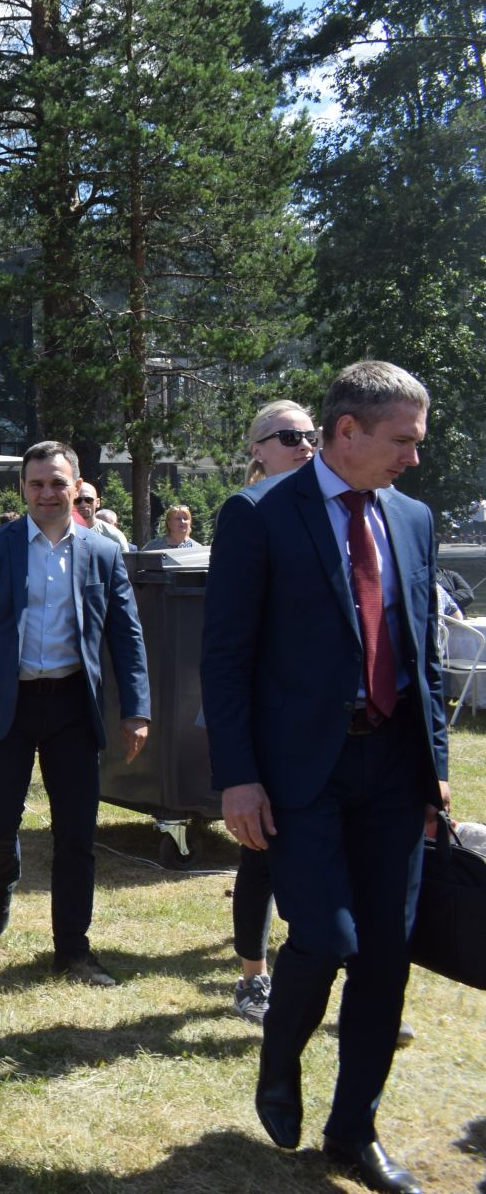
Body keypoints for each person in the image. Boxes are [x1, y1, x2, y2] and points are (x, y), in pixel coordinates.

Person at [203, 361, 450, 1194]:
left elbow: (423, 653)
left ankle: (355, 1131)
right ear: (347, 432)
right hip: (299, 769)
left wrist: (435, 771)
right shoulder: (258, 516)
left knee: (386, 953)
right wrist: (238, 778)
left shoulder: (412, 518)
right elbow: (225, 658)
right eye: (402, 442)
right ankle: (281, 1058)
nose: (414, 459)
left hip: (392, 766)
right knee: (328, 938)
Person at [0, 440, 150, 987]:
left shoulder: (103, 554)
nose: (47, 493)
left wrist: (137, 710)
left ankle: (73, 951)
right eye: (36, 484)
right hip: (6, 706)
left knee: (76, 833)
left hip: (73, 709)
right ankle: (0, 877)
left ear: (76, 487)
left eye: (57, 483)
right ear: (23, 489)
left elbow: (126, 637)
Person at [214, 398, 317, 1025]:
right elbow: (230, 638)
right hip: (264, 716)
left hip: (325, 719)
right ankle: (253, 978)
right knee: (262, 851)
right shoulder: (246, 512)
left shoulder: (335, 509)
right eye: (289, 435)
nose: (305, 444)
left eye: (312, 433)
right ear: (257, 448)